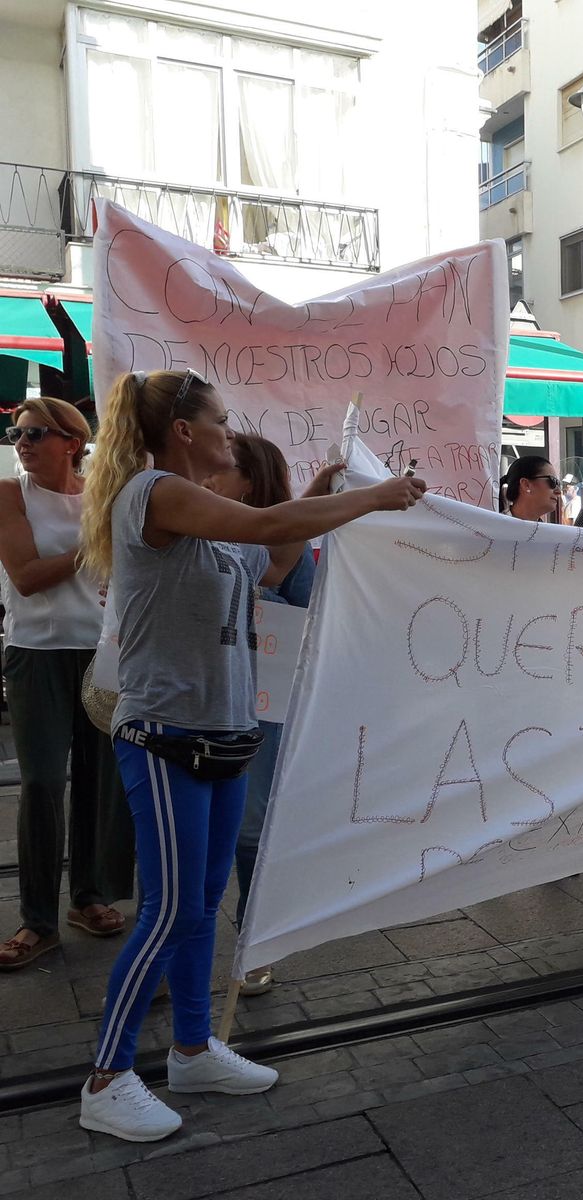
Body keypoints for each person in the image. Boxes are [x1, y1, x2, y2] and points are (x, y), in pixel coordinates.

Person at [77, 368, 425, 1142]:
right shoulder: (153, 493)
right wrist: (371, 496)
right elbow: (267, 530)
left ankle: (194, 1049)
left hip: (224, 735)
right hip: (164, 736)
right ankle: (106, 1076)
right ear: (183, 431)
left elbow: (270, 560)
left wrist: (325, 489)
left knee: (201, 908)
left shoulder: (207, 521)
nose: (230, 433)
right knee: (167, 910)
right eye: (221, 421)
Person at [0, 398, 135, 973]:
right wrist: (96, 544)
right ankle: (36, 918)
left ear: (72, 442)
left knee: (99, 781)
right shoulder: (11, 493)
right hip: (35, 653)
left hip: (99, 652)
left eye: (35, 433)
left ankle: (88, 897)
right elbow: (26, 578)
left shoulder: (102, 495)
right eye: (17, 432)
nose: (22, 442)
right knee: (43, 782)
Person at [199, 433, 316, 998]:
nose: (208, 475)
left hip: (261, 703)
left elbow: (307, 612)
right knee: (189, 832)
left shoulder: (287, 539)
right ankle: (173, 955)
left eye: (222, 467)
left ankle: (253, 940)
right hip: (197, 697)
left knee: (250, 826)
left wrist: (260, 607)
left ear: (249, 480)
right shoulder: (192, 522)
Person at [501, 454, 562, 522]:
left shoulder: (549, 532)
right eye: (552, 481)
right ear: (526, 484)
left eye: (558, 484)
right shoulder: (492, 527)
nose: (558, 491)